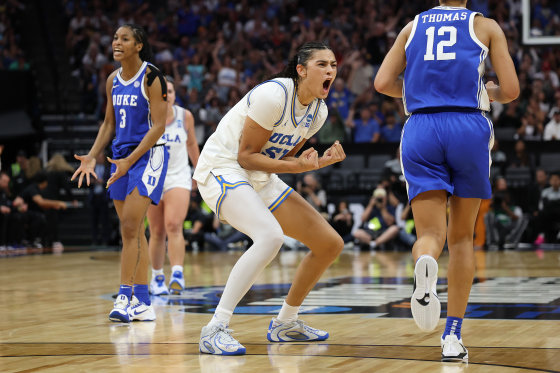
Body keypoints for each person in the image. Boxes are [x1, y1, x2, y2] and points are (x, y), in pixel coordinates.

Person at [375, 0, 519, 362]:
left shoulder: (411, 27)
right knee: (461, 238)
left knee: (430, 236)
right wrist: (489, 91)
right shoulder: (485, 27)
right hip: (467, 127)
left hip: (421, 127)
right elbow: (512, 90)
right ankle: (452, 335)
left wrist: (417, 92)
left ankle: (425, 261)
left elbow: (381, 83)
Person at [193, 41, 345, 355]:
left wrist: (316, 163)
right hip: (222, 168)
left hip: (258, 178)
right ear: (301, 70)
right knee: (270, 236)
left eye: (333, 65)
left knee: (330, 243)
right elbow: (247, 156)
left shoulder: (318, 111)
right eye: (322, 64)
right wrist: (297, 166)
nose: (330, 70)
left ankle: (285, 323)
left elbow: (281, 160)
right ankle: (215, 328)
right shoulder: (273, 95)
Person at [71, 24, 169, 324]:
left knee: (129, 226)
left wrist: (130, 160)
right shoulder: (112, 79)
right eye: (115, 38)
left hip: (148, 155)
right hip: (120, 157)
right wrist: (92, 154)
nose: (117, 42)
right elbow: (108, 124)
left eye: (124, 38)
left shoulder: (152, 76)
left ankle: (124, 295)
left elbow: (159, 127)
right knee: (133, 232)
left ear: (138, 45)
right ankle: (143, 302)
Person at [147, 75, 200, 296]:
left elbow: (192, 143)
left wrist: (199, 171)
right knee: (157, 231)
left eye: (169, 91)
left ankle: (177, 273)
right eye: (161, 92)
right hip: (152, 178)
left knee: (173, 225)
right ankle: (157, 276)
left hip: (178, 176)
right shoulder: (146, 117)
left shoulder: (184, 116)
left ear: (174, 95)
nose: (166, 96)